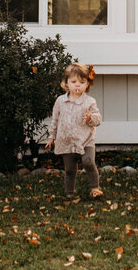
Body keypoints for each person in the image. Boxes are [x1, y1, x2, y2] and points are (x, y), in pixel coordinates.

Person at [45, 62, 103, 198]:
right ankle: (69, 192)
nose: (78, 85)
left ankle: (95, 188)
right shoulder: (60, 101)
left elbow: (98, 119)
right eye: (74, 81)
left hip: (86, 140)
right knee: (70, 169)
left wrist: (90, 117)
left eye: (82, 82)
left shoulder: (90, 102)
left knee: (89, 162)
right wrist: (51, 137)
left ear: (87, 84)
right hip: (67, 140)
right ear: (66, 83)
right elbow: (55, 120)